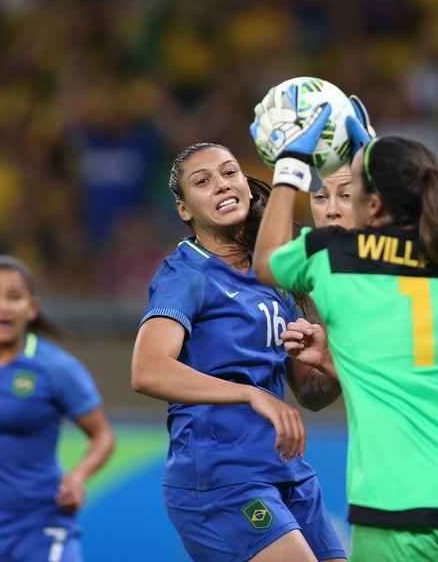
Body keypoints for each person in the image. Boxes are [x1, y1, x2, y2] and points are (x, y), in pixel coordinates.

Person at [251, 110, 438, 562]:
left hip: (401, 499)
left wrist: (289, 167)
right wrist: (381, 155)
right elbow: (412, 369)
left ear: (375, 205)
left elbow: (266, 263)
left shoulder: (332, 255)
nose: (340, 201)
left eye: (353, 189)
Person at [129, 142, 347, 562]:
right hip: (219, 476)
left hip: (286, 470)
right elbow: (147, 369)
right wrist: (250, 393)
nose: (222, 185)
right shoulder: (186, 273)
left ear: (246, 186)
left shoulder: (273, 276)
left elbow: (313, 395)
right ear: (184, 209)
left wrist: (330, 358)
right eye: (203, 181)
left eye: (229, 173)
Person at [0, 255, 116, 562]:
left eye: (14, 297)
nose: (2, 306)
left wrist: (78, 476)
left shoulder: (55, 367)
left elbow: (103, 436)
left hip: (42, 526)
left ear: (32, 308)